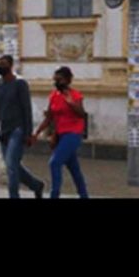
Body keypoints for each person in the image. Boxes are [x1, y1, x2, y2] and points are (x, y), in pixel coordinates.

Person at [0, 54, 46, 200]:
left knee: (10, 165)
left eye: (4, 64)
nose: (1, 66)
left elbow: (26, 109)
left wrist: (28, 133)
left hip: (18, 129)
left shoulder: (20, 84)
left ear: (11, 65)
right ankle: (35, 185)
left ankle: (14, 196)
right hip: (4, 131)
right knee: (13, 166)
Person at [33, 65, 90, 199]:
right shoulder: (54, 96)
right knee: (74, 168)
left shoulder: (76, 95)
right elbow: (49, 117)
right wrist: (37, 132)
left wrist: (71, 103)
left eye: (60, 80)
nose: (57, 83)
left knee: (55, 163)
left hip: (73, 134)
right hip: (60, 134)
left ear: (68, 80)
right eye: (55, 79)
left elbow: (82, 114)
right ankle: (84, 195)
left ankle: (54, 194)